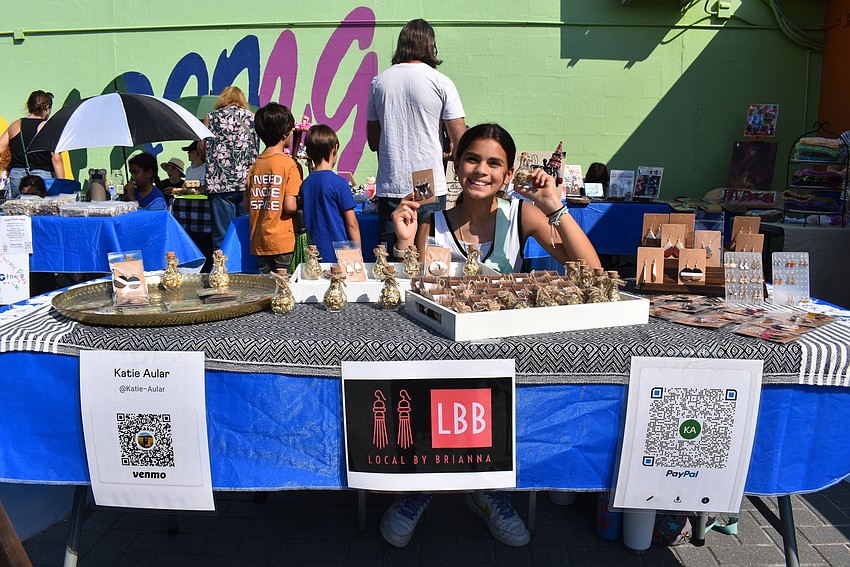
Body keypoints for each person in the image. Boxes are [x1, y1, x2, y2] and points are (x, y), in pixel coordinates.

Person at [380, 124, 600, 549]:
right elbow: (415, 288)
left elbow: (590, 271)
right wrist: (405, 245)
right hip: (438, 356)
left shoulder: (523, 215)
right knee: (427, 411)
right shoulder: (431, 217)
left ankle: (485, 491)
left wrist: (556, 208)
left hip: (500, 358)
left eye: (494, 163)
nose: (481, 170)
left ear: (508, 171)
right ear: (455, 163)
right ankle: (424, 487)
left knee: (492, 418)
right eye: (472, 159)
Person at [367, 18, 467, 250]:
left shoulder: (378, 83)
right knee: (429, 256)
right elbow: (460, 138)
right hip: (427, 180)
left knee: (394, 256)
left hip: (392, 180)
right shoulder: (441, 82)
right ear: (430, 45)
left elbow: (373, 142)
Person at [242, 103, 301, 274]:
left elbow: (247, 205)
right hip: (284, 241)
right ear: (285, 134)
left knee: (267, 291)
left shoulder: (255, 166)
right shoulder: (290, 165)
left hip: (260, 241)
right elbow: (290, 206)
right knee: (285, 290)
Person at [204, 86, 260, 248]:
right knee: (246, 233)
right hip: (247, 184)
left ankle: (222, 271)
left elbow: (203, 149)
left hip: (219, 184)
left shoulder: (211, 117)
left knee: (222, 236)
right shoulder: (252, 118)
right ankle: (246, 270)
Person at [300, 124, 361, 263]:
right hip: (340, 254)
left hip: (313, 255)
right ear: (334, 149)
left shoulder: (305, 184)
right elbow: (352, 224)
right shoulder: (339, 183)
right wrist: (358, 255)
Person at [0, 90, 65, 197]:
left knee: (18, 209)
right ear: (47, 108)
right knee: (42, 210)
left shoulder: (16, 125)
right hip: (41, 175)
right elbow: (56, 158)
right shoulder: (48, 127)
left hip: (17, 175)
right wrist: (61, 184)